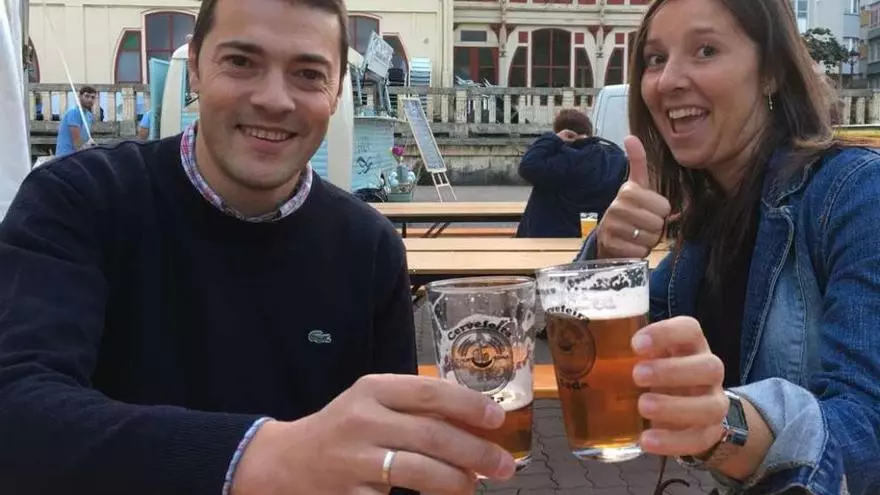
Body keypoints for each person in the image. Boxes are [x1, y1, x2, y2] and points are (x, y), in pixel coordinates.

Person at [0, 0, 516, 493]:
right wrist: (254, 457)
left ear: (337, 91)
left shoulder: (368, 246)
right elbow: (18, 409)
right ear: (196, 67)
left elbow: (389, 454)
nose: (274, 99)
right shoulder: (80, 199)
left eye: (308, 73)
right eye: (242, 62)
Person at [577, 0, 880, 493]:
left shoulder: (856, 195)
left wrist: (726, 426)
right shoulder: (709, 221)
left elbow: (868, 429)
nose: (668, 80)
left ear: (771, 72)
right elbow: (596, 349)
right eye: (655, 58)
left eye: (705, 50)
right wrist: (607, 259)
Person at [516, 109, 627, 238]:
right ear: (589, 131)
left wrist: (551, 138)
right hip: (596, 240)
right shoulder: (615, 157)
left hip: (548, 239)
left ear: (562, 133)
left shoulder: (558, 159)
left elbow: (527, 165)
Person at [54, 85, 96, 156]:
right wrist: (89, 147)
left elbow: (85, 139)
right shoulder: (74, 112)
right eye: (87, 96)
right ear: (80, 97)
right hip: (66, 156)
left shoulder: (89, 116)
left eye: (92, 97)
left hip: (80, 154)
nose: (90, 99)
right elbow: (77, 144)